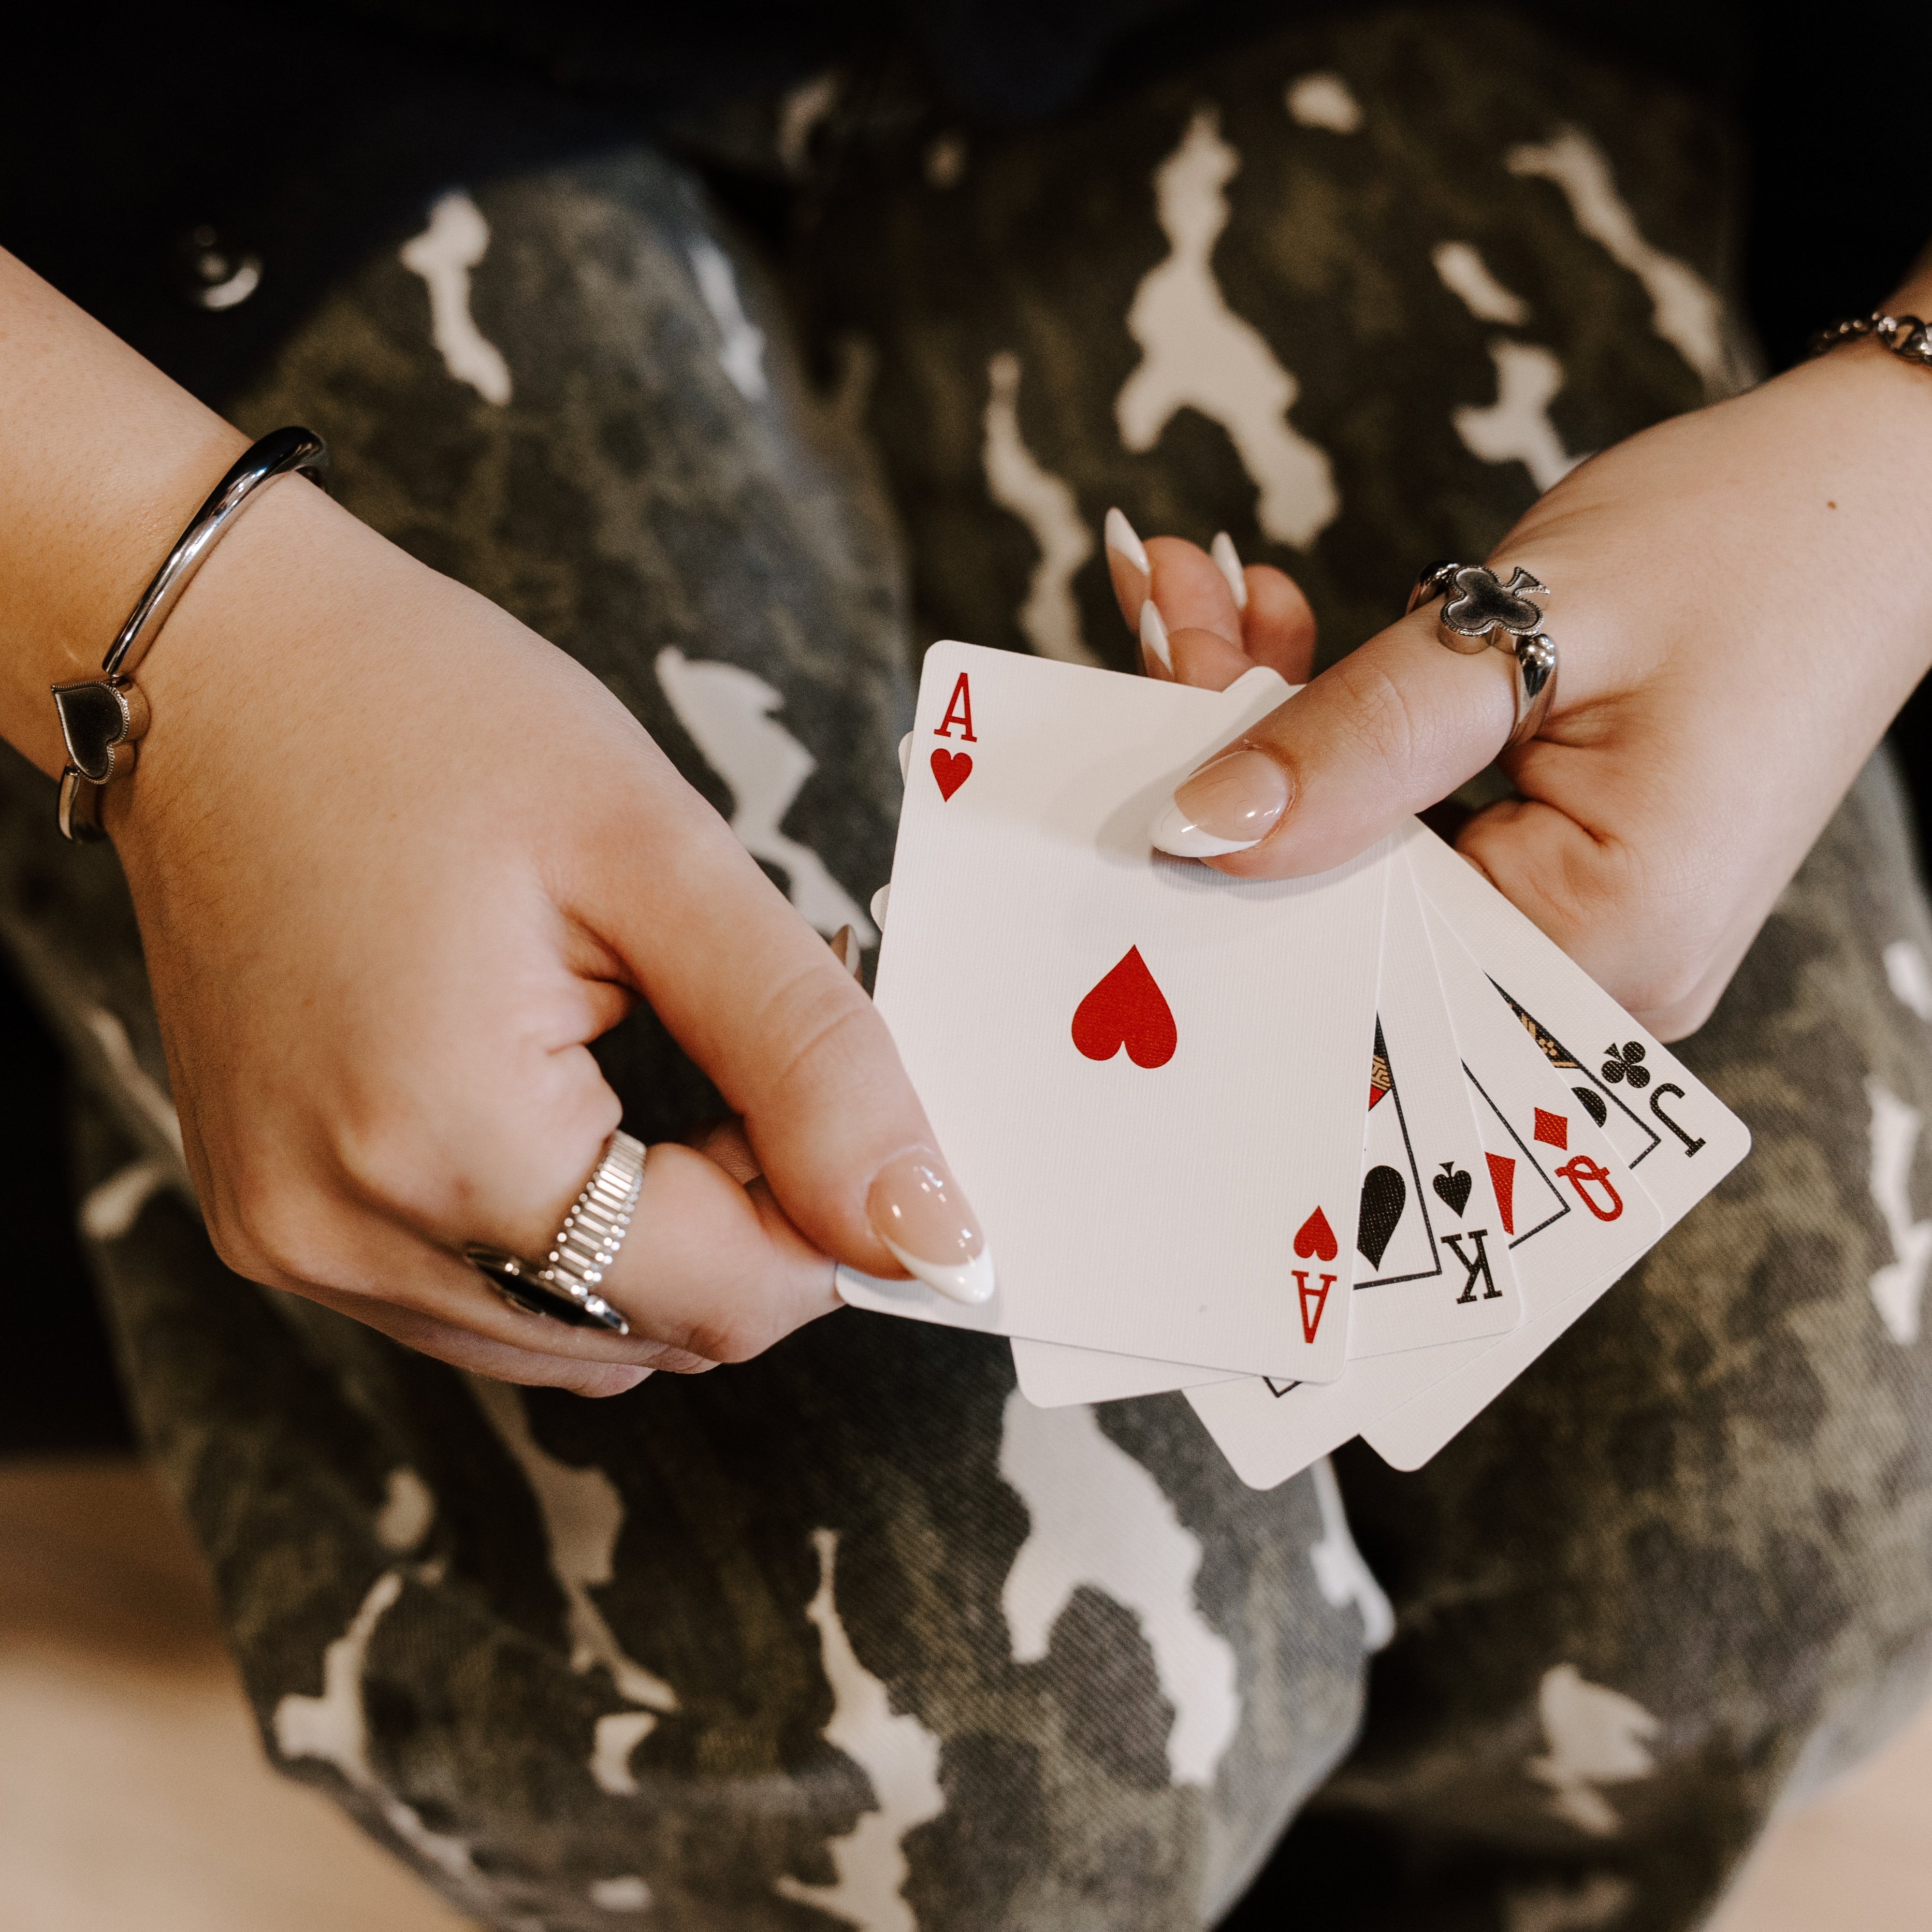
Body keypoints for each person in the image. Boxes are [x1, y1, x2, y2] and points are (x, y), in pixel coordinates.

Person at [5, 5, 1931, 1928]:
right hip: (202, 149)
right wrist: (181, 630)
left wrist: (1903, 436)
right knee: (981, 1767)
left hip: (1364, 30)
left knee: (1758, 1535)